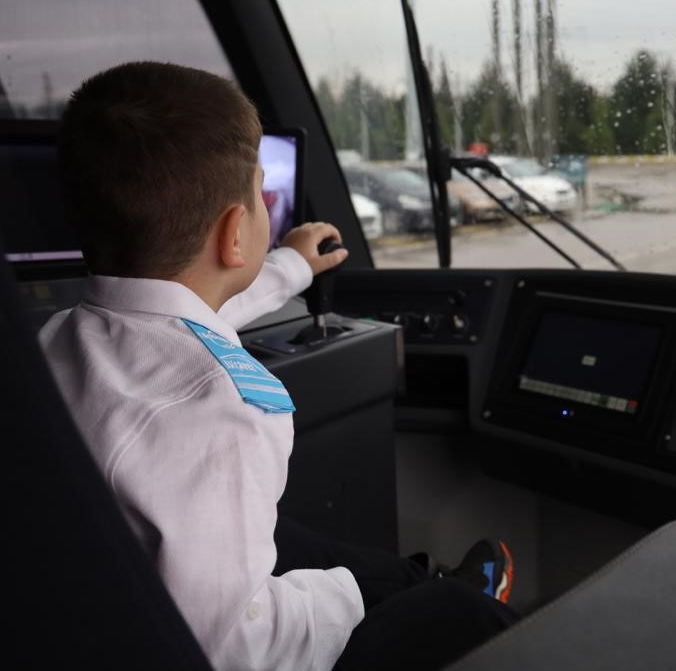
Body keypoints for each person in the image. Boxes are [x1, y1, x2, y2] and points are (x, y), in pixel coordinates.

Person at [40, 62, 517, 671]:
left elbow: (192, 311)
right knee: (469, 621)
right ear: (237, 231)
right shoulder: (218, 409)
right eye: (261, 194)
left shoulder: (62, 337)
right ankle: (452, 599)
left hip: (100, 596)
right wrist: (341, 600)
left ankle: (428, 583)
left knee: (322, 549)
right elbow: (231, 650)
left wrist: (292, 266)